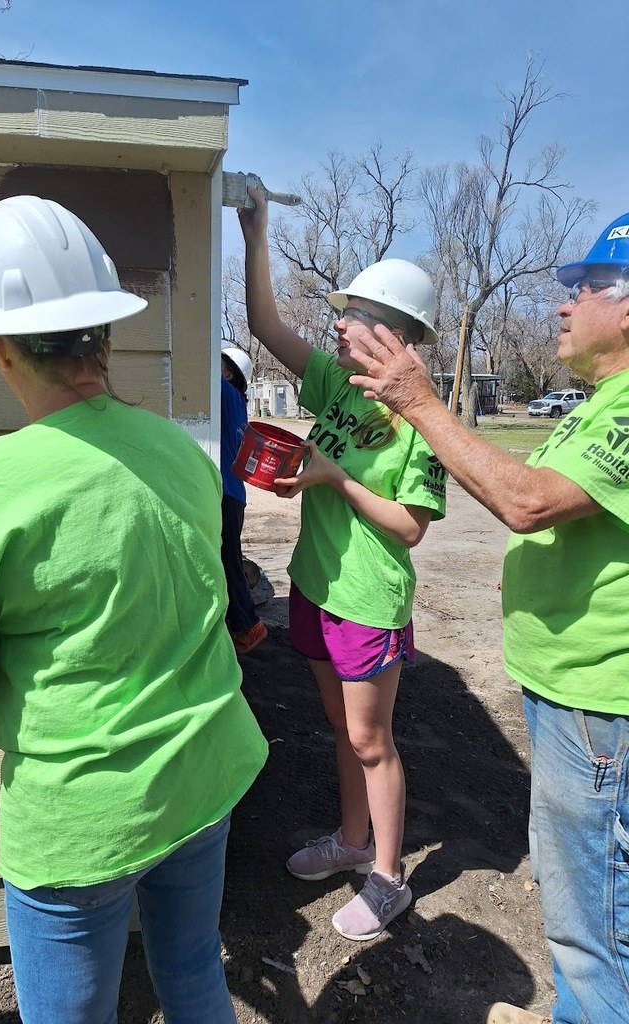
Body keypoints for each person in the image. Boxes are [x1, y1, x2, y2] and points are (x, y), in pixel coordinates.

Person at [0, 195, 268, 1024]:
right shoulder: (177, 448)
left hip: (80, 818)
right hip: (203, 772)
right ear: (105, 335)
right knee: (196, 973)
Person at [345, 213, 629, 1023]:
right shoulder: (602, 402)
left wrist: (418, 401)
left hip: (601, 705)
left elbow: (526, 501)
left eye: (586, 287)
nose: (564, 303)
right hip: (573, 695)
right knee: (591, 898)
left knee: (595, 924)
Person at [238, 188, 447, 941]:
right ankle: (352, 841)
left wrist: (335, 478)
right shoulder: (332, 382)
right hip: (315, 588)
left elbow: (411, 527)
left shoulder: (422, 424)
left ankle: (388, 878)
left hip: (367, 597)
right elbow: (264, 325)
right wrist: (258, 236)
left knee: (371, 739)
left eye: (354, 315)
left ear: (393, 336)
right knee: (338, 725)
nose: (337, 323)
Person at [220, 346, 268, 654]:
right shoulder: (236, 400)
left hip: (225, 492)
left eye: (219, 364)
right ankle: (241, 623)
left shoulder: (225, 393)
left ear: (229, 373)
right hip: (232, 494)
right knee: (228, 558)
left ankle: (248, 626)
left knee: (228, 561)